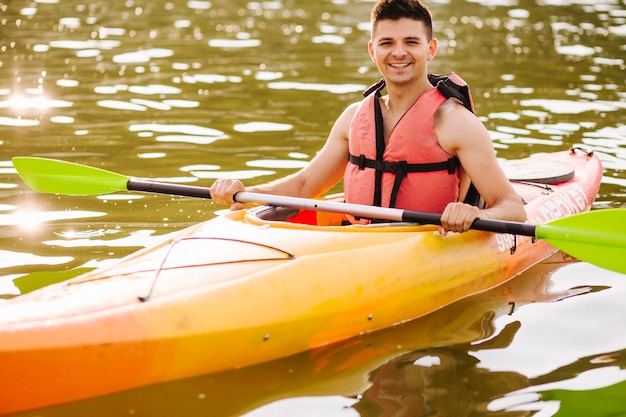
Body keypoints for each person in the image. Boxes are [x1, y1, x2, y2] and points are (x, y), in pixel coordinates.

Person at [210, 0, 527, 234]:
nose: (398, 53)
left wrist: (470, 213)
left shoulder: (456, 123)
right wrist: (246, 193)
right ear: (372, 51)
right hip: (357, 240)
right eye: (387, 43)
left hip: (427, 240)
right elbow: (306, 184)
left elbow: (511, 205)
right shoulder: (353, 118)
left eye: (411, 42)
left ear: (430, 49)